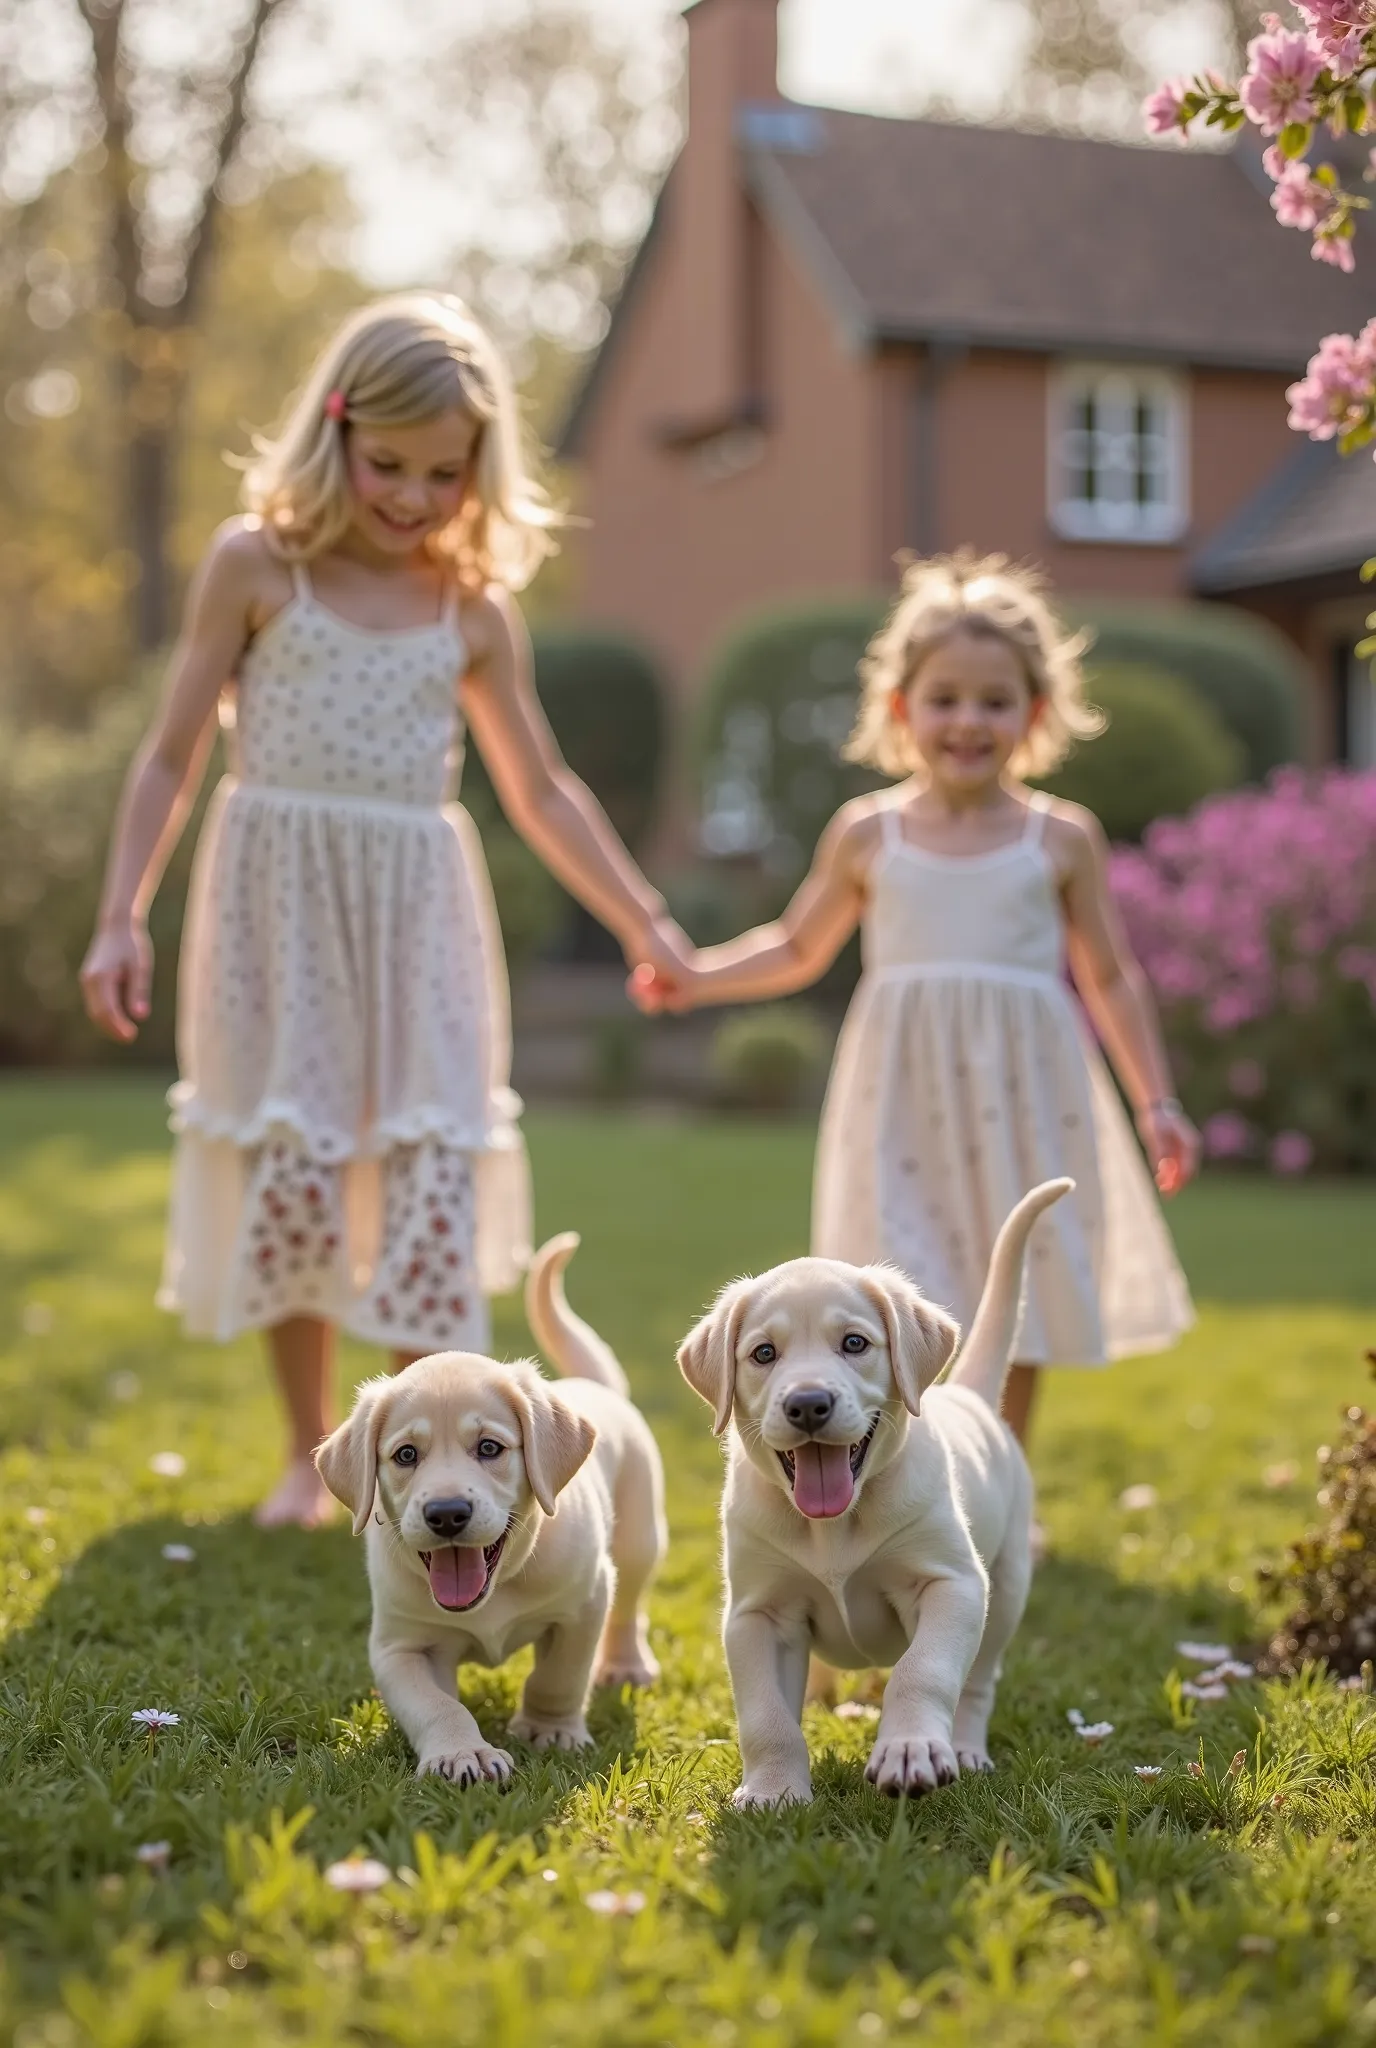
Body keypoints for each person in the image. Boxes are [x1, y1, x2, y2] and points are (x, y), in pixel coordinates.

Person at [81, 292, 690, 1528]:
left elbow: (542, 786)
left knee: (425, 1163)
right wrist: (119, 912)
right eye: (389, 464)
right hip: (280, 909)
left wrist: (641, 917)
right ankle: (315, 1454)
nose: (411, 495)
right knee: (297, 1155)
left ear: (479, 470)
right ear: (336, 431)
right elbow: (169, 753)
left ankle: (444, 1472)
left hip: (418, 916)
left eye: (443, 473)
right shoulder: (257, 566)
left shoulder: (469, 608)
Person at [632, 551, 1198, 1449]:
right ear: (901, 708)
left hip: (1024, 1093)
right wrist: (699, 974)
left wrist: (1156, 1102)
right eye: (945, 698)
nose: (968, 721)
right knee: (903, 1283)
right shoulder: (869, 834)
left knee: (1012, 1277)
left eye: (994, 700)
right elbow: (795, 945)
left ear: (1035, 712)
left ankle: (998, 1472)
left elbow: (1111, 976)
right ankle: (907, 1471)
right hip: (902, 1097)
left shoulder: (1061, 839)